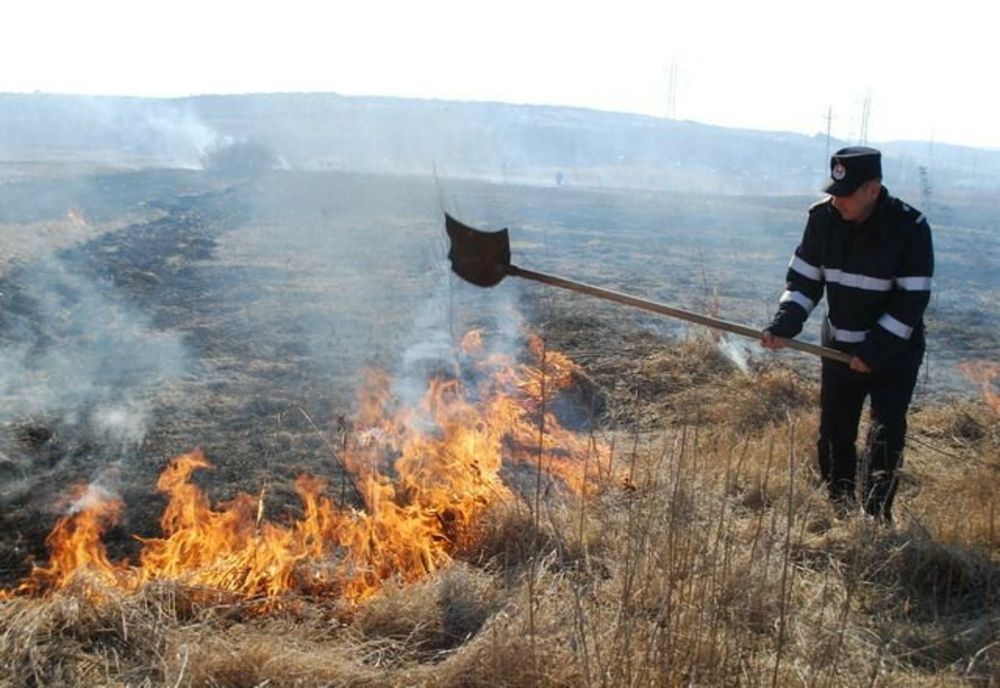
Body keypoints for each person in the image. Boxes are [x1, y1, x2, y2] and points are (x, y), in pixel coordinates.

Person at [761, 146, 933, 522]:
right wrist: (785, 323)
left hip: (894, 353)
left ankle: (874, 517)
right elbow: (804, 280)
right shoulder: (822, 219)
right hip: (839, 345)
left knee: (884, 434)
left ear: (872, 189)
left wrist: (875, 350)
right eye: (834, 191)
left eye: (846, 193)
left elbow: (911, 300)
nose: (837, 200)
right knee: (835, 432)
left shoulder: (910, 228)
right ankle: (839, 511)